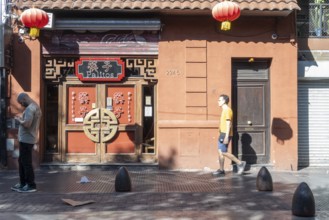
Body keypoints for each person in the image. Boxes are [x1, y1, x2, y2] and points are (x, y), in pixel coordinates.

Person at [11, 93, 42, 193]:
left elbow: (27, 124)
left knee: (26, 162)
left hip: (26, 139)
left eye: (21, 102)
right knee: (22, 161)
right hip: (29, 138)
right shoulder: (36, 107)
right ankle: (23, 183)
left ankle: (30, 185)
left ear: (24, 99)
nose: (21, 105)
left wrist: (19, 120)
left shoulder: (29, 109)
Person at [212, 94, 246, 176]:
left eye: (219, 100)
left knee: (223, 152)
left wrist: (226, 136)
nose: (218, 102)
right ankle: (221, 170)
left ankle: (240, 163)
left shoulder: (227, 110)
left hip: (225, 134)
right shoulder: (224, 110)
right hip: (222, 133)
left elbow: (229, 123)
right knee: (220, 152)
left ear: (224, 101)